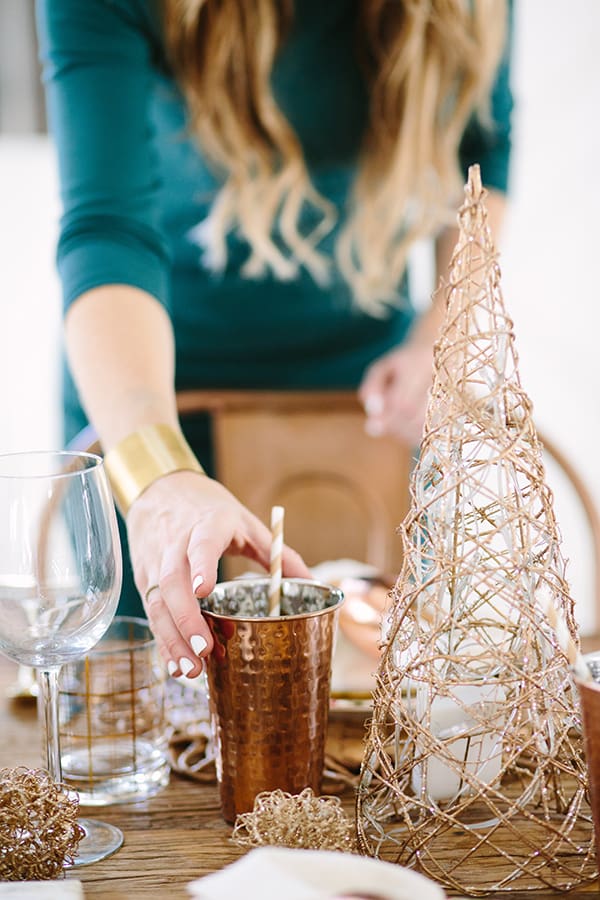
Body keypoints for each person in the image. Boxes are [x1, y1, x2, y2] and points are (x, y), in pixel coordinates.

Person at [36, 0, 512, 679]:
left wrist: (437, 340)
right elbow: (107, 227)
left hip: (362, 390)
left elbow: (484, 155)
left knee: (376, 694)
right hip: (149, 392)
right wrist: (159, 474)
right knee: (147, 709)